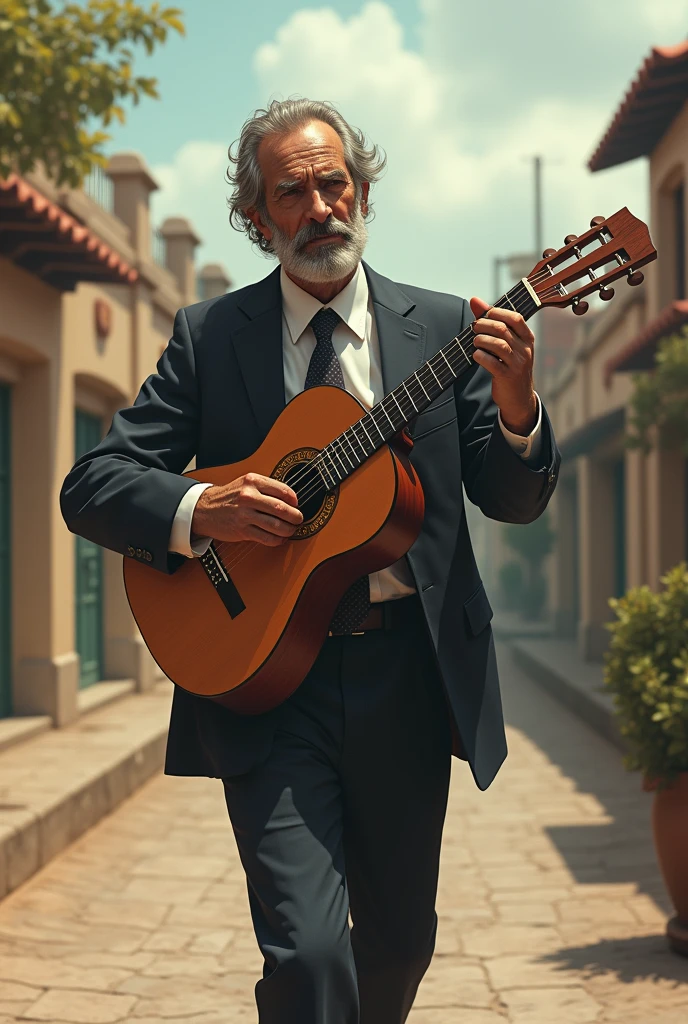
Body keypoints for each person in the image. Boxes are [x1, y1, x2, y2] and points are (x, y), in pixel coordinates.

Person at [60, 98, 560, 1024]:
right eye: (292, 191)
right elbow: (91, 483)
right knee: (308, 954)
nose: (321, 206)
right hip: (263, 681)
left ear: (363, 191)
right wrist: (206, 507)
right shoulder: (212, 338)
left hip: (408, 677)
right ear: (258, 218)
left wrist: (520, 404)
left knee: (401, 943)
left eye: (335, 183)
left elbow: (515, 498)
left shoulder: (446, 330)